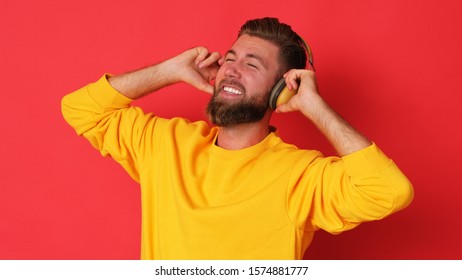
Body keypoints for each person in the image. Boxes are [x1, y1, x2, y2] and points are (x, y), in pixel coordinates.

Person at [61, 17, 413, 260]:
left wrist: (313, 105)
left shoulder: (300, 176)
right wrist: (169, 70)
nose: (230, 68)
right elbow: (80, 109)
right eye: (231, 58)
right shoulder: (164, 144)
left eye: (252, 64)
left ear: (281, 89)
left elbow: (388, 190)